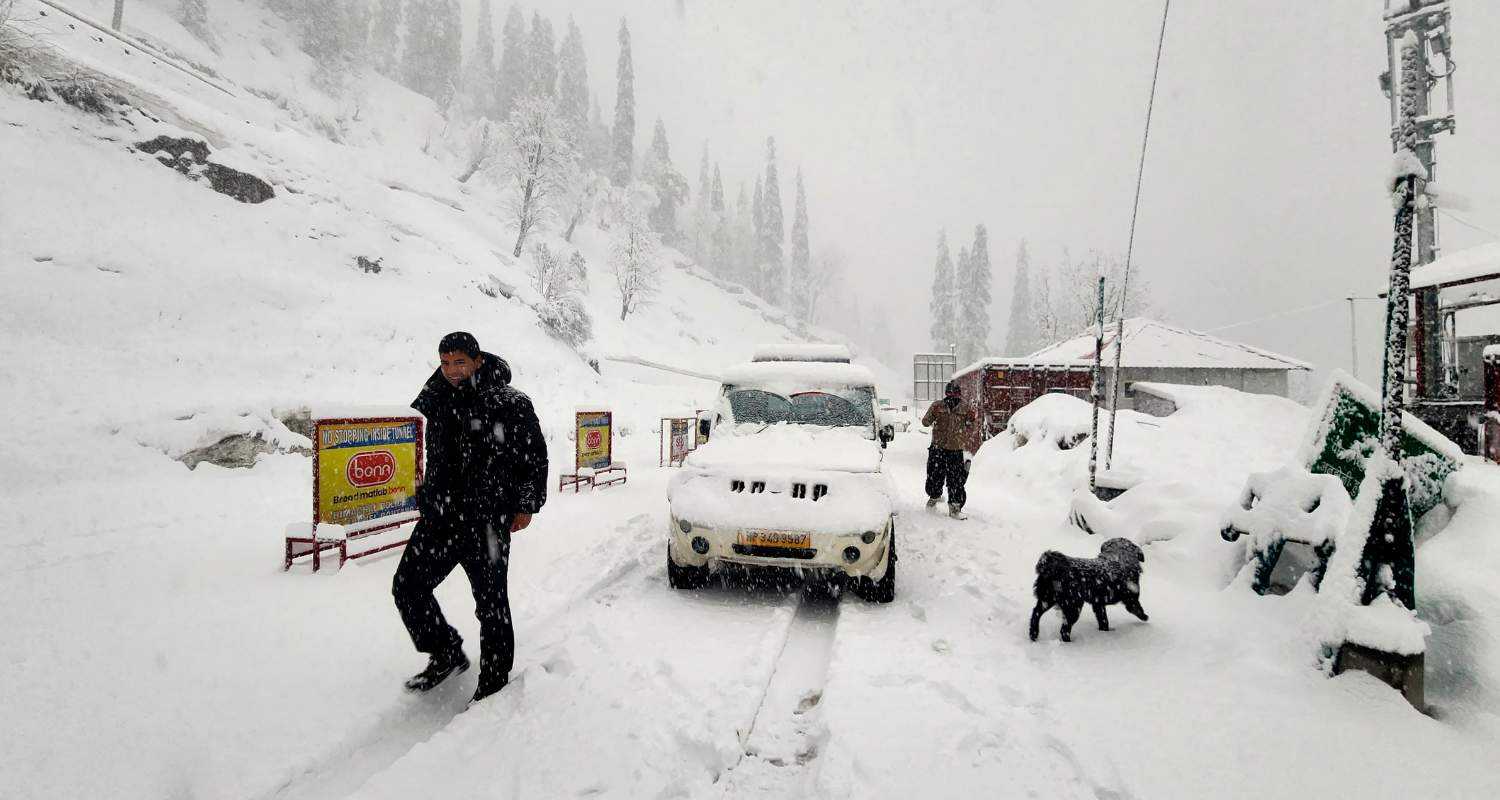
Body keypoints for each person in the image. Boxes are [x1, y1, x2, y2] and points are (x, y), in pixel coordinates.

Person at [392, 331, 549, 704]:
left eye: (459, 362)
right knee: (407, 586)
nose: (451, 370)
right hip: (441, 517)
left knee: (491, 603)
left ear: (478, 360)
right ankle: (445, 651)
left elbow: (534, 458)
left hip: (487, 520)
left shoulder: (510, 403)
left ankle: (493, 682)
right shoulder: (437, 399)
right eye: (445, 363)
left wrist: (526, 504)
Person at [922, 379, 976, 518]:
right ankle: (935, 498)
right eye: (951, 393)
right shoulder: (938, 406)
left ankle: (954, 507)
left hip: (954, 449)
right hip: (939, 448)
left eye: (954, 393)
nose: (952, 396)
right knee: (937, 476)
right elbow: (925, 422)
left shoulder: (965, 408)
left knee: (955, 480)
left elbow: (971, 424)